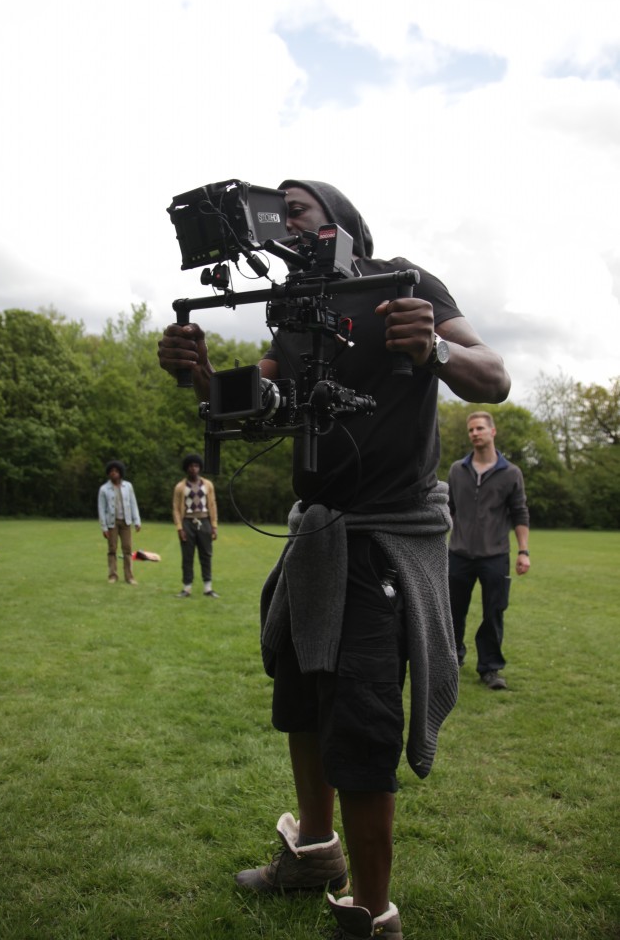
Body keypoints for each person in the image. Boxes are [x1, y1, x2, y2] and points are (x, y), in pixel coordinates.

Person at [158, 179, 511, 940]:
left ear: (344, 225)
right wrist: (198, 373)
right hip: (318, 536)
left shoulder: (403, 283)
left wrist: (437, 346)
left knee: (361, 717)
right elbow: (254, 406)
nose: (280, 224)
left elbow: (495, 376)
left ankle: (370, 912)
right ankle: (315, 853)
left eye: (296, 211)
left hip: (385, 536)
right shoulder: (291, 315)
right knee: (304, 698)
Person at [447, 411, 530, 690]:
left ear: (492, 432)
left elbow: (520, 513)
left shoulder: (511, 473)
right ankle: (452, 661)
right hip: (458, 554)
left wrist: (523, 552)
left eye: (480, 428)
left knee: (493, 613)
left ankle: (490, 669)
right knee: (453, 612)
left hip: (495, 556)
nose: (474, 433)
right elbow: (449, 511)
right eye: (471, 430)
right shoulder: (457, 470)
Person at [172, 453, 219, 598]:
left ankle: (208, 588)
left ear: (200, 468)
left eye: (196, 466)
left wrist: (214, 525)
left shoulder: (207, 485)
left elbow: (212, 505)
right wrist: (180, 528)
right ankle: (187, 588)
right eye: (191, 466)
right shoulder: (180, 487)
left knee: (206, 555)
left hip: (204, 522)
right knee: (187, 556)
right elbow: (175, 508)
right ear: (186, 468)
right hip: (187, 523)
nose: (194, 469)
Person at [97, 460, 141, 584]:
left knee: (127, 549)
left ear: (121, 473)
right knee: (112, 549)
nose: (114, 473)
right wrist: (104, 528)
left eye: (116, 471)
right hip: (112, 523)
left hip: (126, 522)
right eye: (111, 471)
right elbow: (101, 509)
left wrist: (137, 521)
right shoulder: (104, 489)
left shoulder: (128, 486)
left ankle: (130, 577)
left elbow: (133, 504)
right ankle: (112, 576)